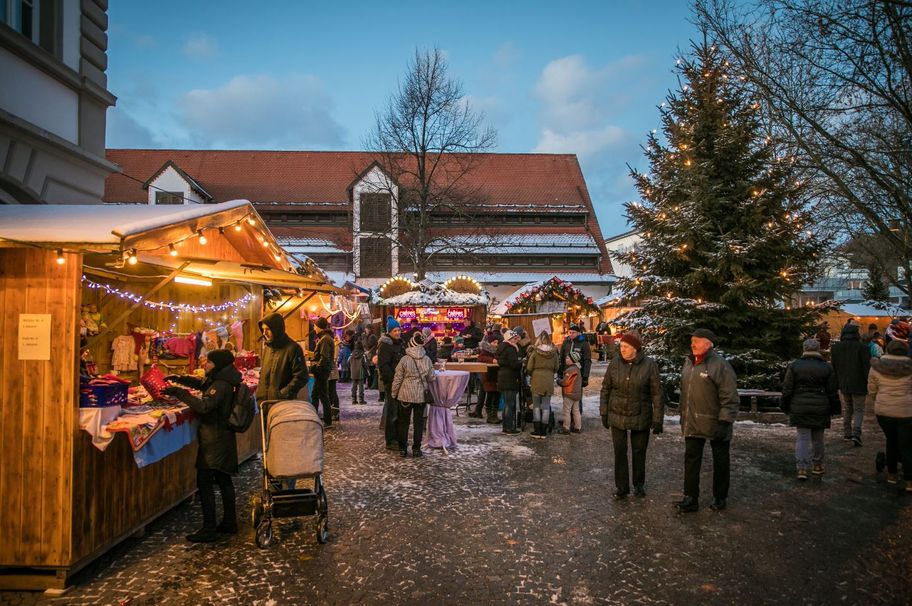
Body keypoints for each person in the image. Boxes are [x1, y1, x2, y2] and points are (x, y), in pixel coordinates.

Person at [164, 349, 240, 542]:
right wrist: (180, 379)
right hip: (223, 437)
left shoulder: (221, 384)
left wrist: (178, 392)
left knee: (205, 481)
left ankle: (209, 528)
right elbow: (202, 384)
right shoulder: (223, 378)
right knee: (224, 479)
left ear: (218, 364)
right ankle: (230, 522)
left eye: (209, 362)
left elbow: (204, 406)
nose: (205, 365)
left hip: (214, 439)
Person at [675, 328, 739, 513]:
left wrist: (725, 421)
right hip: (693, 421)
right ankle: (690, 497)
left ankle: (720, 497)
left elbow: (730, 396)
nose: (692, 344)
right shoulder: (689, 363)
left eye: (697, 341)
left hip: (716, 422)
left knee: (720, 461)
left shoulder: (720, 366)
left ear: (708, 344)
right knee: (691, 460)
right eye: (692, 340)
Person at [599, 332, 664, 499]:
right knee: (620, 452)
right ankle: (622, 487)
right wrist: (604, 412)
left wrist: (657, 418)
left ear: (635, 348)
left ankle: (638, 484)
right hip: (617, 414)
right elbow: (606, 388)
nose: (622, 350)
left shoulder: (649, 365)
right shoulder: (615, 363)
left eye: (626, 347)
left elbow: (656, 393)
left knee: (639, 451)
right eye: (621, 347)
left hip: (641, 414)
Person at [780, 338, 841, 480]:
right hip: (821, 406)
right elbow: (832, 391)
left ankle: (801, 468)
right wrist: (835, 408)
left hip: (800, 405)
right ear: (818, 349)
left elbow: (787, 388)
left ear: (804, 349)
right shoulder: (826, 367)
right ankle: (817, 465)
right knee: (818, 438)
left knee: (802, 438)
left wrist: (784, 405)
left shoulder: (795, 366)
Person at [868, 339, 912, 492]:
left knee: (891, 441)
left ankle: (892, 475)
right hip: (907, 412)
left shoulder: (877, 367)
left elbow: (872, 389)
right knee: (907, 445)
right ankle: (909, 481)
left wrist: (878, 400)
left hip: (884, 411)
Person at [391, 333, 436, 457]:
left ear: (410, 345)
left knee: (403, 422)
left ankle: (403, 449)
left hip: (405, 395)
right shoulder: (427, 359)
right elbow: (432, 378)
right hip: (420, 395)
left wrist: (394, 393)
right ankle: (417, 449)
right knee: (418, 423)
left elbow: (398, 378)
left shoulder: (404, 359)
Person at [830, 322, 871, 447]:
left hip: (844, 384)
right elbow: (866, 368)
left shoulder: (836, 348)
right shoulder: (863, 348)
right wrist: (868, 383)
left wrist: (837, 383)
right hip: (859, 384)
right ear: (856, 334)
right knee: (858, 409)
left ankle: (847, 432)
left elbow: (834, 368)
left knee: (848, 408)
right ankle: (856, 433)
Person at [256, 313, 309, 403]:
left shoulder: (293, 348)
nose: (264, 333)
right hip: (263, 402)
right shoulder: (267, 348)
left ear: (277, 329)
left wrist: (283, 394)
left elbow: (301, 376)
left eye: (268, 329)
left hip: (281, 403)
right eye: (263, 329)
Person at [378, 316, 406, 449]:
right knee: (392, 411)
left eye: (398, 330)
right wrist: (393, 380)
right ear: (389, 332)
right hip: (392, 383)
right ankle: (391, 440)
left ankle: (399, 437)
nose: (397, 333)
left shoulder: (400, 343)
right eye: (394, 331)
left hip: (402, 383)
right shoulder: (385, 346)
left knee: (400, 412)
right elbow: (384, 366)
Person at [526, 331, 559, 439]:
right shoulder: (553, 353)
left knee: (536, 406)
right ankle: (544, 431)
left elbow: (529, 367)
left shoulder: (535, 352)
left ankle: (537, 430)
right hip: (548, 380)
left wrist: (533, 373)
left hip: (537, 380)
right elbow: (556, 367)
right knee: (546, 406)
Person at [558, 324, 592, 421]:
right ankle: (567, 419)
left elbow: (587, 360)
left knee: (576, 398)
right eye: (570, 332)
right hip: (566, 374)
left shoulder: (584, 344)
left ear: (578, 333)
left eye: (573, 333)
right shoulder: (566, 343)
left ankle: (577, 420)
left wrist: (585, 376)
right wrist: (560, 372)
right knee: (566, 397)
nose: (571, 334)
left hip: (578, 375)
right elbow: (562, 358)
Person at [310, 317, 336, 428]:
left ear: (320, 327)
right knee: (315, 395)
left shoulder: (325, 339)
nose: (314, 328)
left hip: (321, 372)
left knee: (323, 396)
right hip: (321, 371)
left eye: (315, 326)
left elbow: (324, 358)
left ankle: (327, 421)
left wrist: (316, 367)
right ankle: (314, 418)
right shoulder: (325, 338)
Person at [496, 329, 523, 435]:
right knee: (509, 404)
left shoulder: (502, 348)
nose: (516, 340)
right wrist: (521, 362)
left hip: (503, 376)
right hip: (510, 378)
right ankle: (509, 428)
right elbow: (514, 364)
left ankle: (505, 427)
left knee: (507, 403)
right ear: (510, 339)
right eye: (514, 338)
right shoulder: (511, 349)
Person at [473, 333, 501, 423]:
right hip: (488, 376)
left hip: (495, 376)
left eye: (497, 342)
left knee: (495, 396)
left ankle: (493, 415)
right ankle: (490, 416)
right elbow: (481, 358)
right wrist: (492, 360)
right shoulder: (485, 351)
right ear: (489, 343)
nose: (496, 344)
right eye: (494, 342)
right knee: (491, 395)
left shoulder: (497, 350)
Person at [557, 350, 583, 434]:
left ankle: (566, 428)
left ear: (572, 359)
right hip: (577, 394)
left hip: (569, 394)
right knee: (576, 411)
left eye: (567, 358)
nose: (566, 359)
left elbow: (565, 382)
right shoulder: (577, 369)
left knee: (567, 411)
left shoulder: (570, 370)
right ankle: (577, 427)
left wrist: (558, 381)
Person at [360, 324, 379, 394]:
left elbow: (371, 345)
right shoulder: (366, 336)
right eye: (366, 329)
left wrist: (369, 351)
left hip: (371, 356)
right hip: (368, 355)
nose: (366, 330)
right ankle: (369, 384)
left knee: (370, 370)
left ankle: (370, 384)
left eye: (367, 329)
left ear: (370, 329)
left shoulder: (372, 336)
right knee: (368, 370)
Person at [349, 336, 366, 404]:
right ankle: (361, 400)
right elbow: (365, 363)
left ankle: (353, 399)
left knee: (354, 385)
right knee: (361, 386)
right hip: (360, 371)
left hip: (353, 371)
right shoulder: (363, 354)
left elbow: (348, 362)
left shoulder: (352, 354)